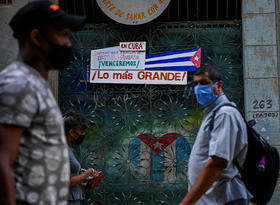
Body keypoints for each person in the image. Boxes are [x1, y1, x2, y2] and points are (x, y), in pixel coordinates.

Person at [0, 1, 86, 205]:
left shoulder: (36, 84)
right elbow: (2, 159)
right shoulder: (18, 84)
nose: (68, 43)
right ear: (37, 37)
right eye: (62, 35)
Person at [179, 65, 252, 205]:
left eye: (204, 83)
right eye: (195, 84)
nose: (198, 88)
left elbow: (216, 163)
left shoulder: (225, 114)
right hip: (211, 200)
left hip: (223, 199)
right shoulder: (213, 113)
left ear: (219, 85)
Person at [63, 110, 100, 205]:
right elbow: (66, 182)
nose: (83, 135)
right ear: (71, 132)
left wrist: (86, 184)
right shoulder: (63, 151)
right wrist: (89, 172)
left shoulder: (70, 150)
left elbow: (73, 179)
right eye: (81, 131)